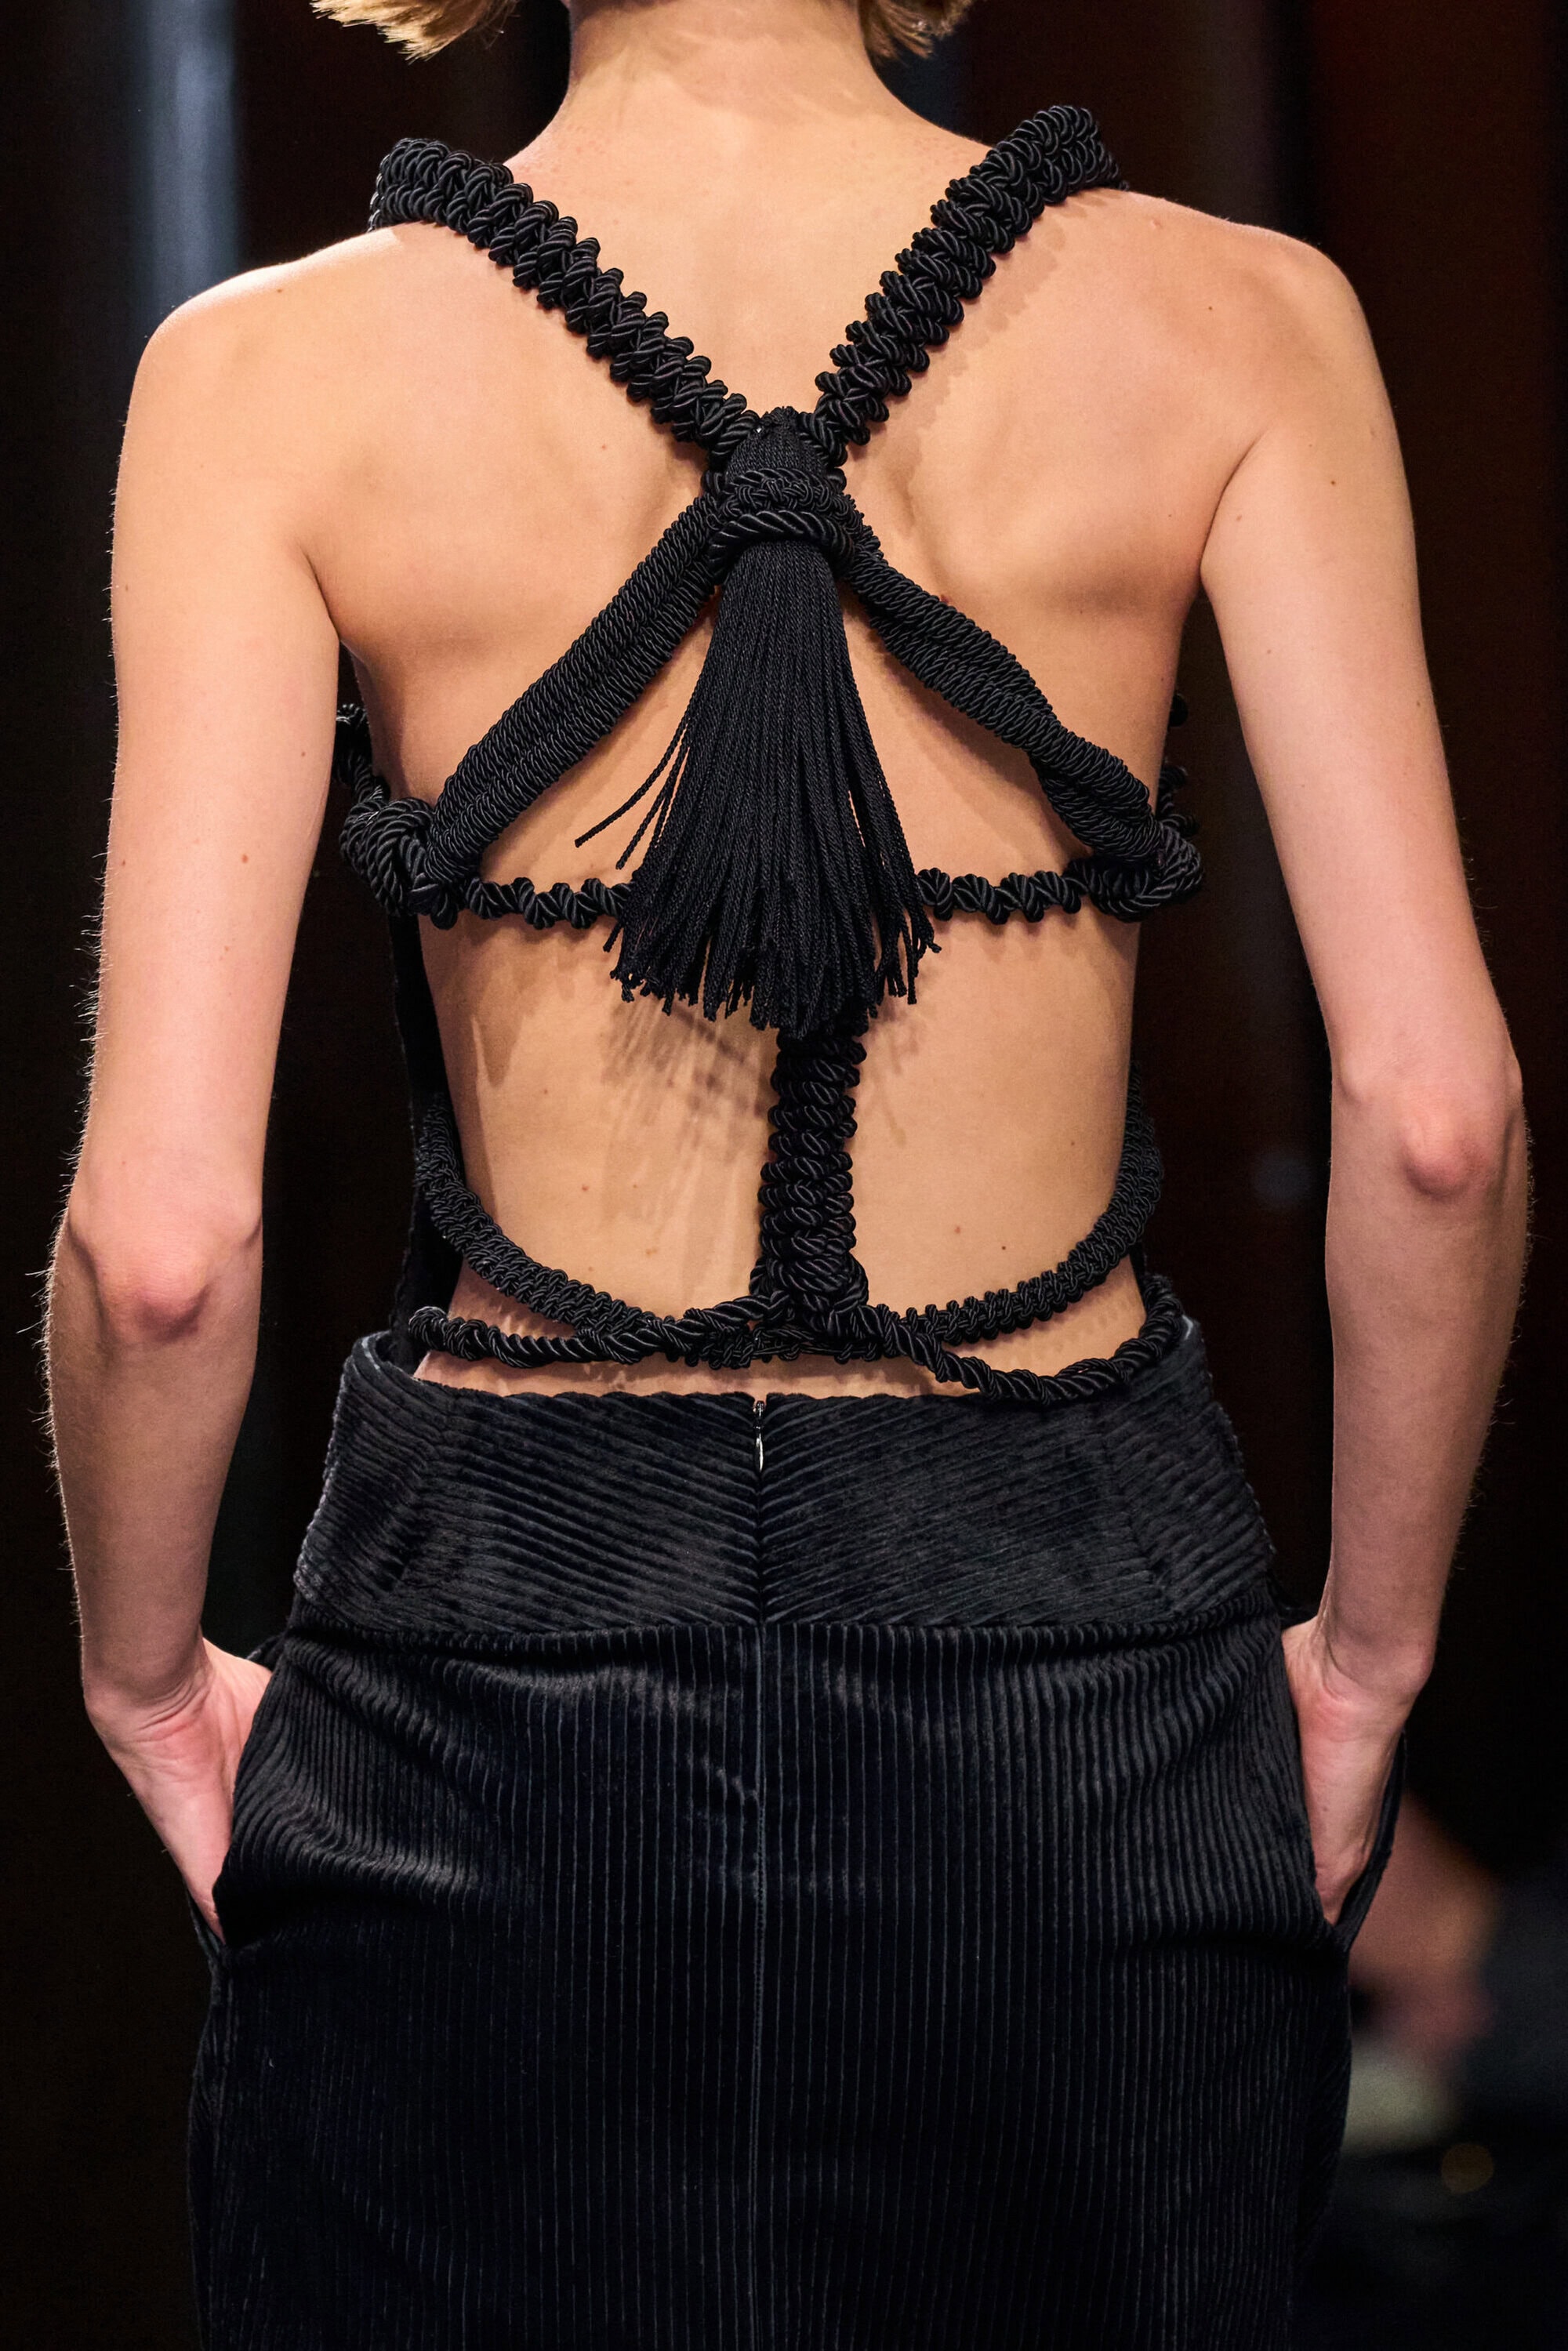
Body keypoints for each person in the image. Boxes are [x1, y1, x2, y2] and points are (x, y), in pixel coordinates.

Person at [45, 0, 1528, 2341]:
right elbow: (1442, 1128)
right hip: (1081, 1645)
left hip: (494, 1656)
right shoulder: (1237, 322)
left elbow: (158, 1250)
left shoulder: (269, 375)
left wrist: (145, 1685)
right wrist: (1369, 1673)